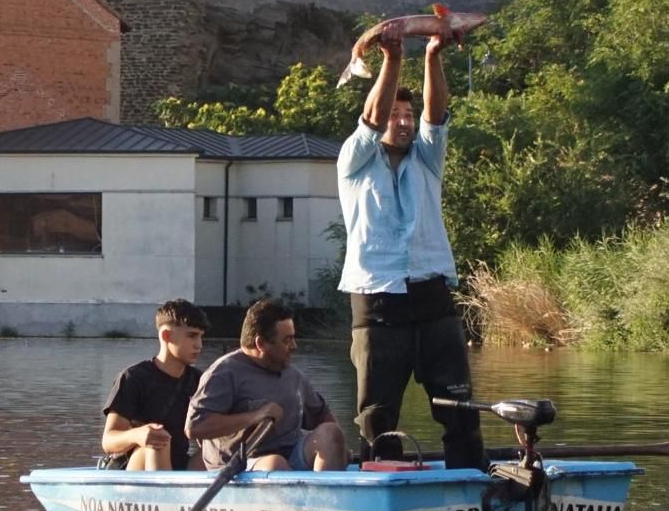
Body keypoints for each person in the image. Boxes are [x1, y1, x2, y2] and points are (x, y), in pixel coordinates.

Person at [336, 24, 486, 470]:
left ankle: (471, 487)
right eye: (396, 115)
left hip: (431, 291)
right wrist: (392, 58)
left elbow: (436, 115)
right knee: (377, 417)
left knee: (457, 407)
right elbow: (369, 119)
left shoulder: (427, 159)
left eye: (407, 115)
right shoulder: (354, 160)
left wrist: (432, 55)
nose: (403, 122)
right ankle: (386, 495)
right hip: (377, 298)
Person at [185, 300, 347, 471]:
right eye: (287, 340)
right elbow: (195, 427)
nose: (294, 347)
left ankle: (326, 496)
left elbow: (322, 416)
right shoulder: (223, 374)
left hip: (290, 455)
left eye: (293, 338)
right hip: (239, 465)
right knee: (275, 463)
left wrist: (340, 449)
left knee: (331, 433)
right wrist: (255, 416)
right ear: (260, 344)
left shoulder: (294, 376)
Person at [100, 299, 210, 471]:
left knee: (223, 447)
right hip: (134, 467)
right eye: (192, 336)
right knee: (159, 441)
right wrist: (139, 434)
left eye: (201, 337)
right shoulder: (133, 378)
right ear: (166, 336)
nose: (199, 345)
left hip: (180, 465)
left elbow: (206, 434)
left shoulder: (200, 380)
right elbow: (108, 441)